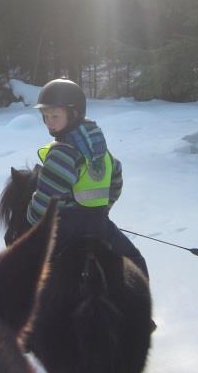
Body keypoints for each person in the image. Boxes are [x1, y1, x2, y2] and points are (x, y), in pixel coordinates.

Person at [28, 78, 149, 278]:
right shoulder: (100, 149)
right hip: (100, 225)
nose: (49, 122)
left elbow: (45, 201)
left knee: (29, 275)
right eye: (45, 116)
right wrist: (102, 210)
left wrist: (32, 219)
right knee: (136, 262)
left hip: (64, 229)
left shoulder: (62, 153)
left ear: (74, 113)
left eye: (55, 116)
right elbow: (116, 180)